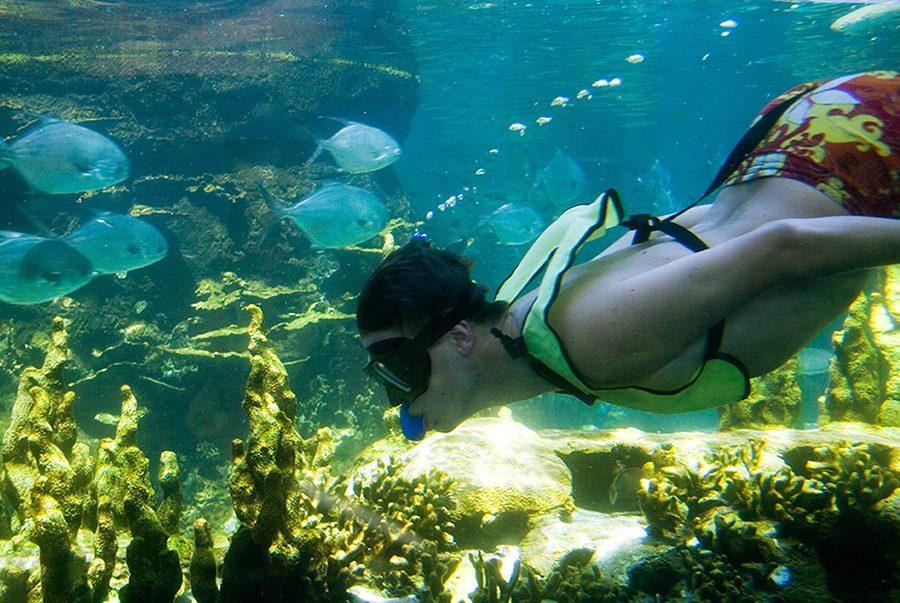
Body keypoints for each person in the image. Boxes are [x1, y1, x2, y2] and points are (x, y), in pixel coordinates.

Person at [357, 71, 900, 438]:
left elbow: (782, 247)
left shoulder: (587, 343)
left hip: (856, 153)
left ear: (460, 336)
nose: (397, 401)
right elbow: (692, 227)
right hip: (818, 138)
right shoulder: (537, 324)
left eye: (398, 370)